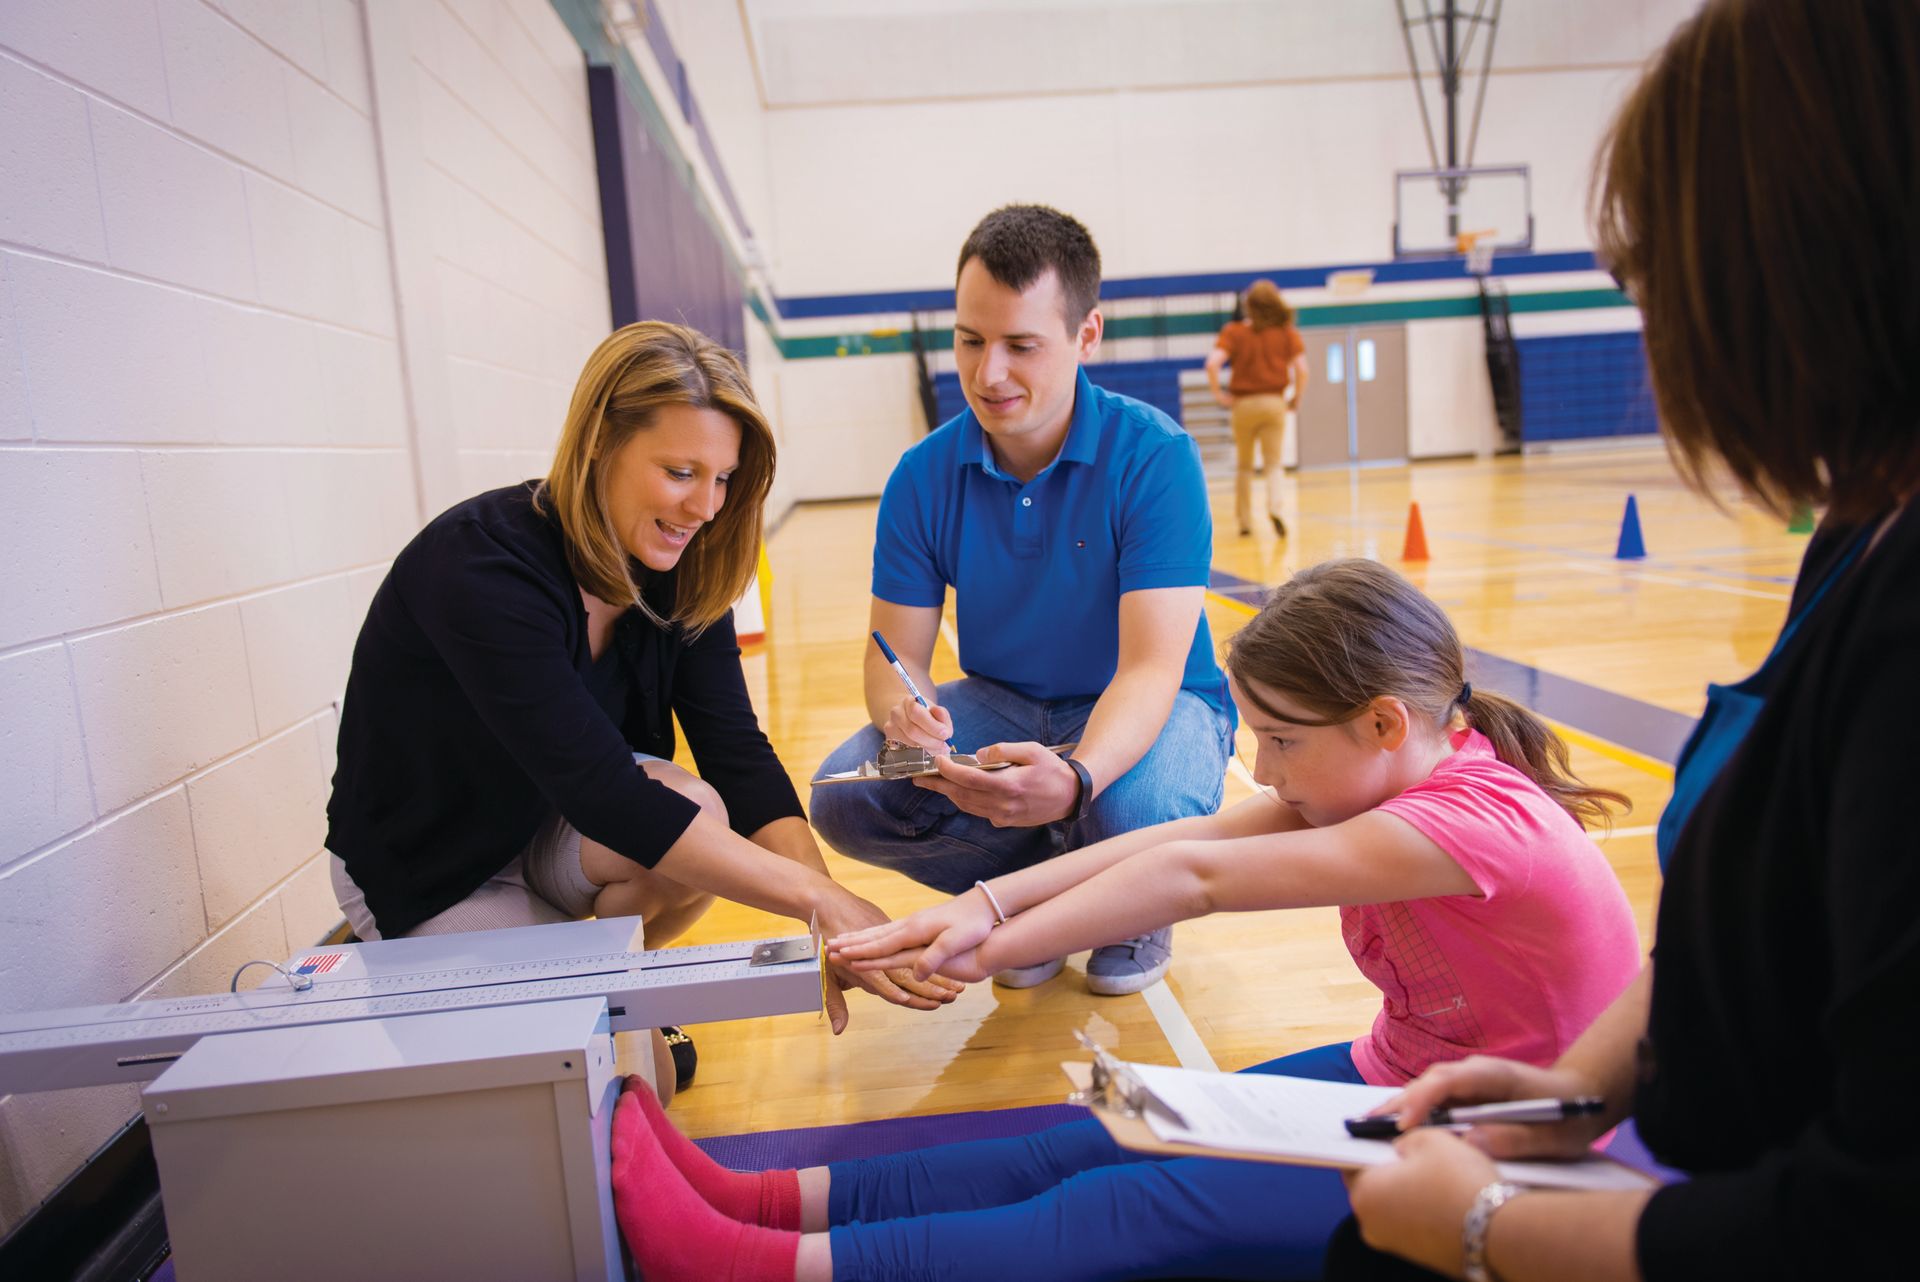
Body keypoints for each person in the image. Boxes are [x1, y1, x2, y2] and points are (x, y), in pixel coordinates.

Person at [1328, 3, 1920, 1278]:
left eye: (1660, 273)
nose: (1657, 328)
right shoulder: (1863, 523)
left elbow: (1877, 1217)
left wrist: (1491, 1230)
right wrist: (1574, 1090)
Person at [606, 558, 1643, 1282]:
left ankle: (756, 1265)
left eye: (1279, 740)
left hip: (1520, 1140)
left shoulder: (1466, 825)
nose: (1263, 770)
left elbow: (1197, 876)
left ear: (1383, 724)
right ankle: (769, 1202)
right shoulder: (1374, 776)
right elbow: (1156, 849)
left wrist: (992, 946)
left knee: (1134, 1207)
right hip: (1411, 1074)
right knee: (1100, 1132)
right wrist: (987, 901)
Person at [325, 321, 960, 1093]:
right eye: (681, 471)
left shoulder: (678, 565)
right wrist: (819, 900)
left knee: (699, 806)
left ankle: (611, 984)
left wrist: (828, 926)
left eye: (722, 478)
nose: (705, 506)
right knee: (618, 1088)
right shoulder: (479, 566)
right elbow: (608, 796)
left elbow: (735, 753)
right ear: (600, 445)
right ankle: (477, 983)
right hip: (433, 863)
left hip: (550, 829)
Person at [808, 204, 1235, 996]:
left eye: (1020, 345)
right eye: (970, 340)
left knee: (1134, 805)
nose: (987, 373)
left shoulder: (1156, 458)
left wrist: (1075, 779)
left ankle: (1128, 915)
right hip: (1004, 705)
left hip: (1152, 704)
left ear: (1087, 336)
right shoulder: (921, 476)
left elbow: (1148, 671)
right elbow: (893, 656)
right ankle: (1038, 901)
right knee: (851, 796)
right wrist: (907, 716)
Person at [1207, 278, 1308, 538]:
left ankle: (1244, 522)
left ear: (1248, 305)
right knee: (1274, 464)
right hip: (1274, 402)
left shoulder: (1234, 331)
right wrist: (1296, 396)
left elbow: (1213, 363)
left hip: (1243, 405)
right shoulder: (1287, 333)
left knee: (1244, 466)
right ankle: (1275, 508)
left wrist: (1219, 393)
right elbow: (1302, 369)